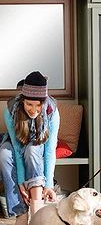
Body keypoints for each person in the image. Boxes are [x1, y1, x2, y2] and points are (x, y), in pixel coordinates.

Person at [0, 71, 60, 225]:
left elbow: (49, 151)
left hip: (37, 147)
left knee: (32, 150)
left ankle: (37, 209)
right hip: (16, 144)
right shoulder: (10, 110)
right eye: (29, 104)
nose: (34, 110)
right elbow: (17, 149)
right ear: (22, 100)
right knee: (4, 154)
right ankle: (20, 212)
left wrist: (48, 185)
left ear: (44, 102)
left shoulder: (52, 111)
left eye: (38, 104)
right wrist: (20, 182)